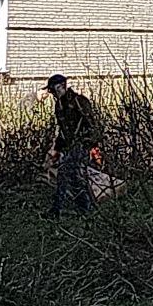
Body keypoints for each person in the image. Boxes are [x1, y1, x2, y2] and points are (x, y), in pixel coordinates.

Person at [44, 74, 100, 218]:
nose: (52, 93)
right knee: (75, 177)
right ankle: (84, 210)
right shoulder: (59, 106)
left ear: (62, 86)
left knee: (67, 174)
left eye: (54, 89)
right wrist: (57, 149)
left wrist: (90, 145)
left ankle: (58, 210)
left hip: (81, 145)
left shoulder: (79, 102)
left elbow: (92, 125)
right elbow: (62, 131)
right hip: (69, 147)